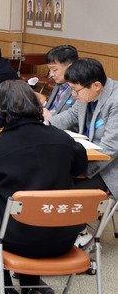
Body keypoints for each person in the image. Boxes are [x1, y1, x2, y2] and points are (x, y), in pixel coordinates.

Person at [0, 81, 87, 294]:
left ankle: (7, 293)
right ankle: (30, 291)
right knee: (33, 220)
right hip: (63, 238)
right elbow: (80, 169)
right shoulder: (63, 139)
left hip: (13, 240)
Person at [47, 59, 118, 197]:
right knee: (50, 179)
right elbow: (72, 115)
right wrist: (45, 125)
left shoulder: (115, 101)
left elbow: (110, 149)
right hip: (88, 158)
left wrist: (82, 171)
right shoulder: (87, 92)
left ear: (96, 86)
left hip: (109, 171)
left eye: (75, 90)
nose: (73, 94)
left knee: (61, 193)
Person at [40, 45, 77, 116]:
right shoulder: (59, 84)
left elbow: (74, 119)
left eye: (55, 70)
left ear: (70, 67)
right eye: (50, 70)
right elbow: (51, 108)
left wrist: (51, 118)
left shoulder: (79, 89)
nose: (51, 74)